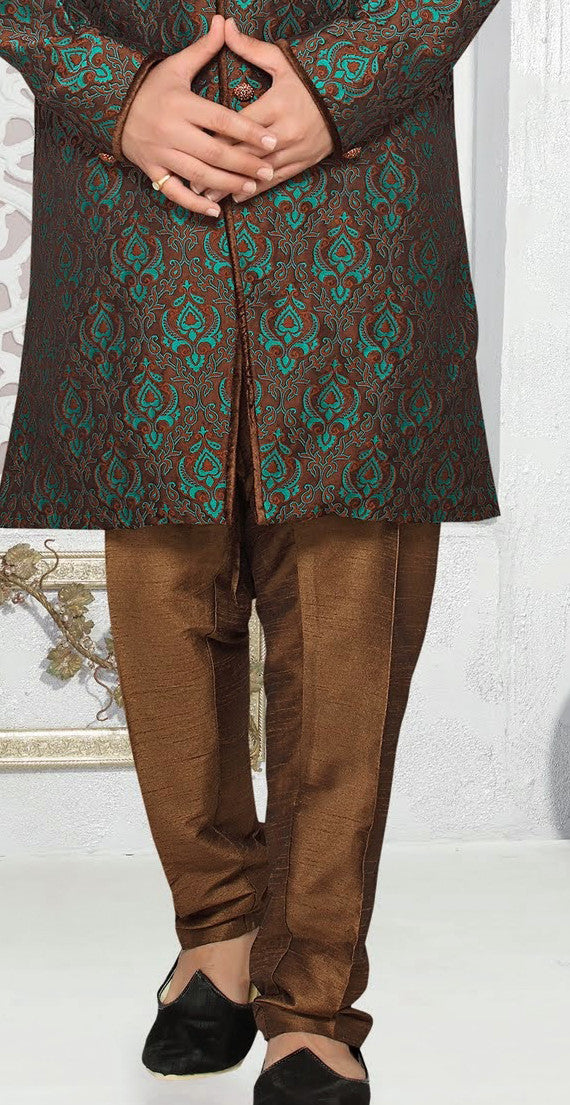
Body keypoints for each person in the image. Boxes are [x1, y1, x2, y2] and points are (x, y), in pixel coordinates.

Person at [0, 3, 503, 1102]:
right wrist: (115, 99)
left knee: (349, 604)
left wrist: (341, 85)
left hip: (357, 185)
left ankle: (312, 999)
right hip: (134, 195)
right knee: (164, 593)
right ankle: (216, 934)